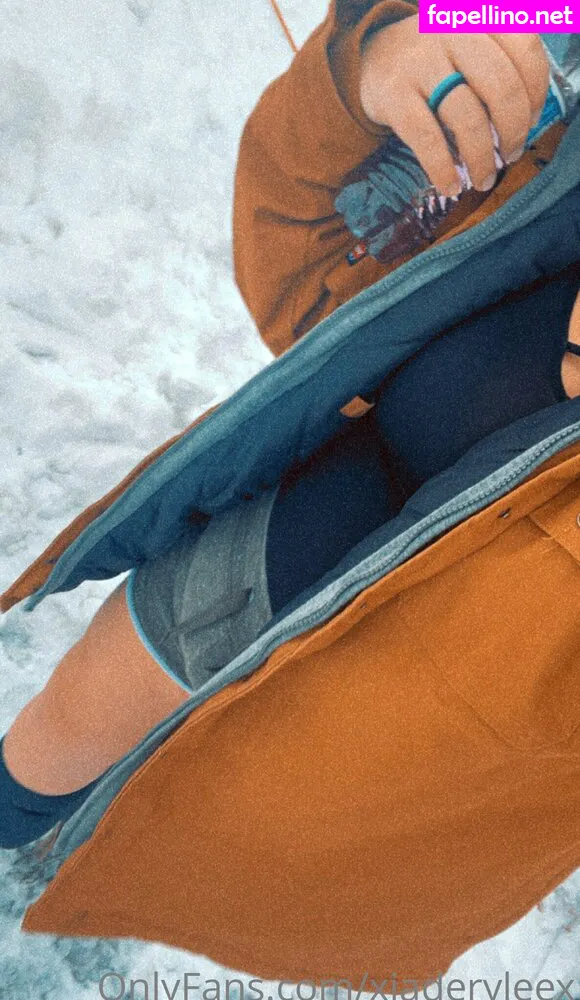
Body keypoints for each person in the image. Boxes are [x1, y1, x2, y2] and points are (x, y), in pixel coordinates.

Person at [1, 3, 579, 850]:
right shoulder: (543, 18)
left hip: (470, 714)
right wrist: (373, 65)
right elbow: (298, 272)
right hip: (322, 498)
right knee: (96, 696)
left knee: (241, 827)